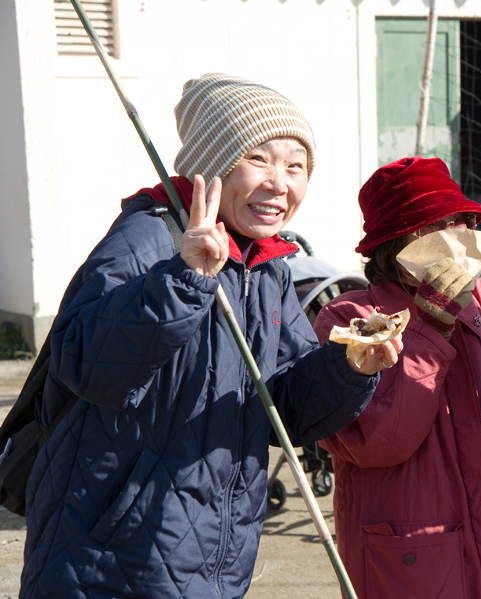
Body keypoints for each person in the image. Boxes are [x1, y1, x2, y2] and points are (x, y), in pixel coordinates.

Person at [20, 73, 400, 599]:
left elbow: (286, 411)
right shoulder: (149, 238)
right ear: (212, 165)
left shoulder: (268, 268)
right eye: (260, 159)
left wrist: (351, 368)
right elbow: (84, 361)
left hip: (214, 555)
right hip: (114, 551)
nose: (280, 183)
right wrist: (185, 280)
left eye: (296, 167)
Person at [313, 156, 481, 599]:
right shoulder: (351, 316)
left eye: (459, 222)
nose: (452, 239)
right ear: (392, 245)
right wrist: (428, 327)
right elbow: (377, 440)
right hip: (414, 555)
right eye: (431, 227)